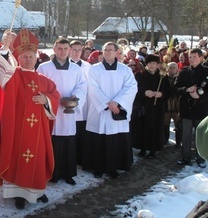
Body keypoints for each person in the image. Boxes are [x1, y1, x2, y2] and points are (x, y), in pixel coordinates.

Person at [0, 29, 60, 210]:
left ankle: (37, 191)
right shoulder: (13, 76)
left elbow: (55, 94)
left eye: (31, 56)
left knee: (37, 157)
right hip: (18, 127)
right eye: (25, 56)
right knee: (18, 156)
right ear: (18, 58)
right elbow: (0, 67)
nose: (28, 59)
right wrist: (5, 46)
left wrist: (46, 100)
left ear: (37, 58)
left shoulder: (43, 79)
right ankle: (18, 194)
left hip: (38, 130)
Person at [82, 41, 137, 178]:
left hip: (117, 110)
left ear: (117, 52)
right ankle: (98, 168)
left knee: (115, 139)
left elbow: (131, 87)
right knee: (99, 140)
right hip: (100, 110)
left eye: (110, 50)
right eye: (105, 50)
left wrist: (117, 103)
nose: (107, 52)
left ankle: (114, 167)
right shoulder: (94, 69)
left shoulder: (125, 70)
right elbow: (92, 88)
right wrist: (107, 103)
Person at [37, 39, 86, 185]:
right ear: (54, 49)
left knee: (68, 141)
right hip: (51, 110)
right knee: (52, 141)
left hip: (68, 110)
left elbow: (82, 85)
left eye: (65, 48)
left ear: (69, 50)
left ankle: (68, 173)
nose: (62, 51)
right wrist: (48, 100)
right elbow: (38, 85)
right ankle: (52, 172)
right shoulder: (44, 68)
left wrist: (75, 97)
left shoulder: (76, 69)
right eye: (59, 48)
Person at [175, 48, 208, 168]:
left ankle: (201, 158)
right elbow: (176, 88)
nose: (192, 59)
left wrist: (200, 96)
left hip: (201, 109)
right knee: (186, 135)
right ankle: (185, 157)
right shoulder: (183, 72)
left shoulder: (206, 72)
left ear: (200, 57)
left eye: (194, 57)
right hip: (186, 109)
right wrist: (186, 90)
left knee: (201, 135)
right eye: (190, 57)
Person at [136, 54, 170, 158]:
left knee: (155, 129)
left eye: (154, 63)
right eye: (150, 63)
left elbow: (168, 91)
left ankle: (153, 149)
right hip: (144, 106)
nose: (151, 66)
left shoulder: (162, 76)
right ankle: (142, 148)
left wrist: (161, 94)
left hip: (157, 107)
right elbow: (135, 90)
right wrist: (144, 92)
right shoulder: (140, 75)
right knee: (143, 128)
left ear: (157, 65)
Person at [69, 40, 91, 166]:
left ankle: (80, 158)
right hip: (66, 103)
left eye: (79, 50)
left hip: (84, 105)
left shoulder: (87, 66)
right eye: (74, 50)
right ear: (69, 50)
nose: (77, 52)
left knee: (81, 131)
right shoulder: (64, 65)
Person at [164, 62, 181, 147]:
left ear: (177, 69)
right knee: (165, 124)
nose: (172, 69)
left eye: (174, 68)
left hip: (177, 105)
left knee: (178, 124)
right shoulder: (164, 78)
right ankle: (165, 139)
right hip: (167, 105)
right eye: (170, 68)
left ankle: (178, 141)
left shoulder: (180, 78)